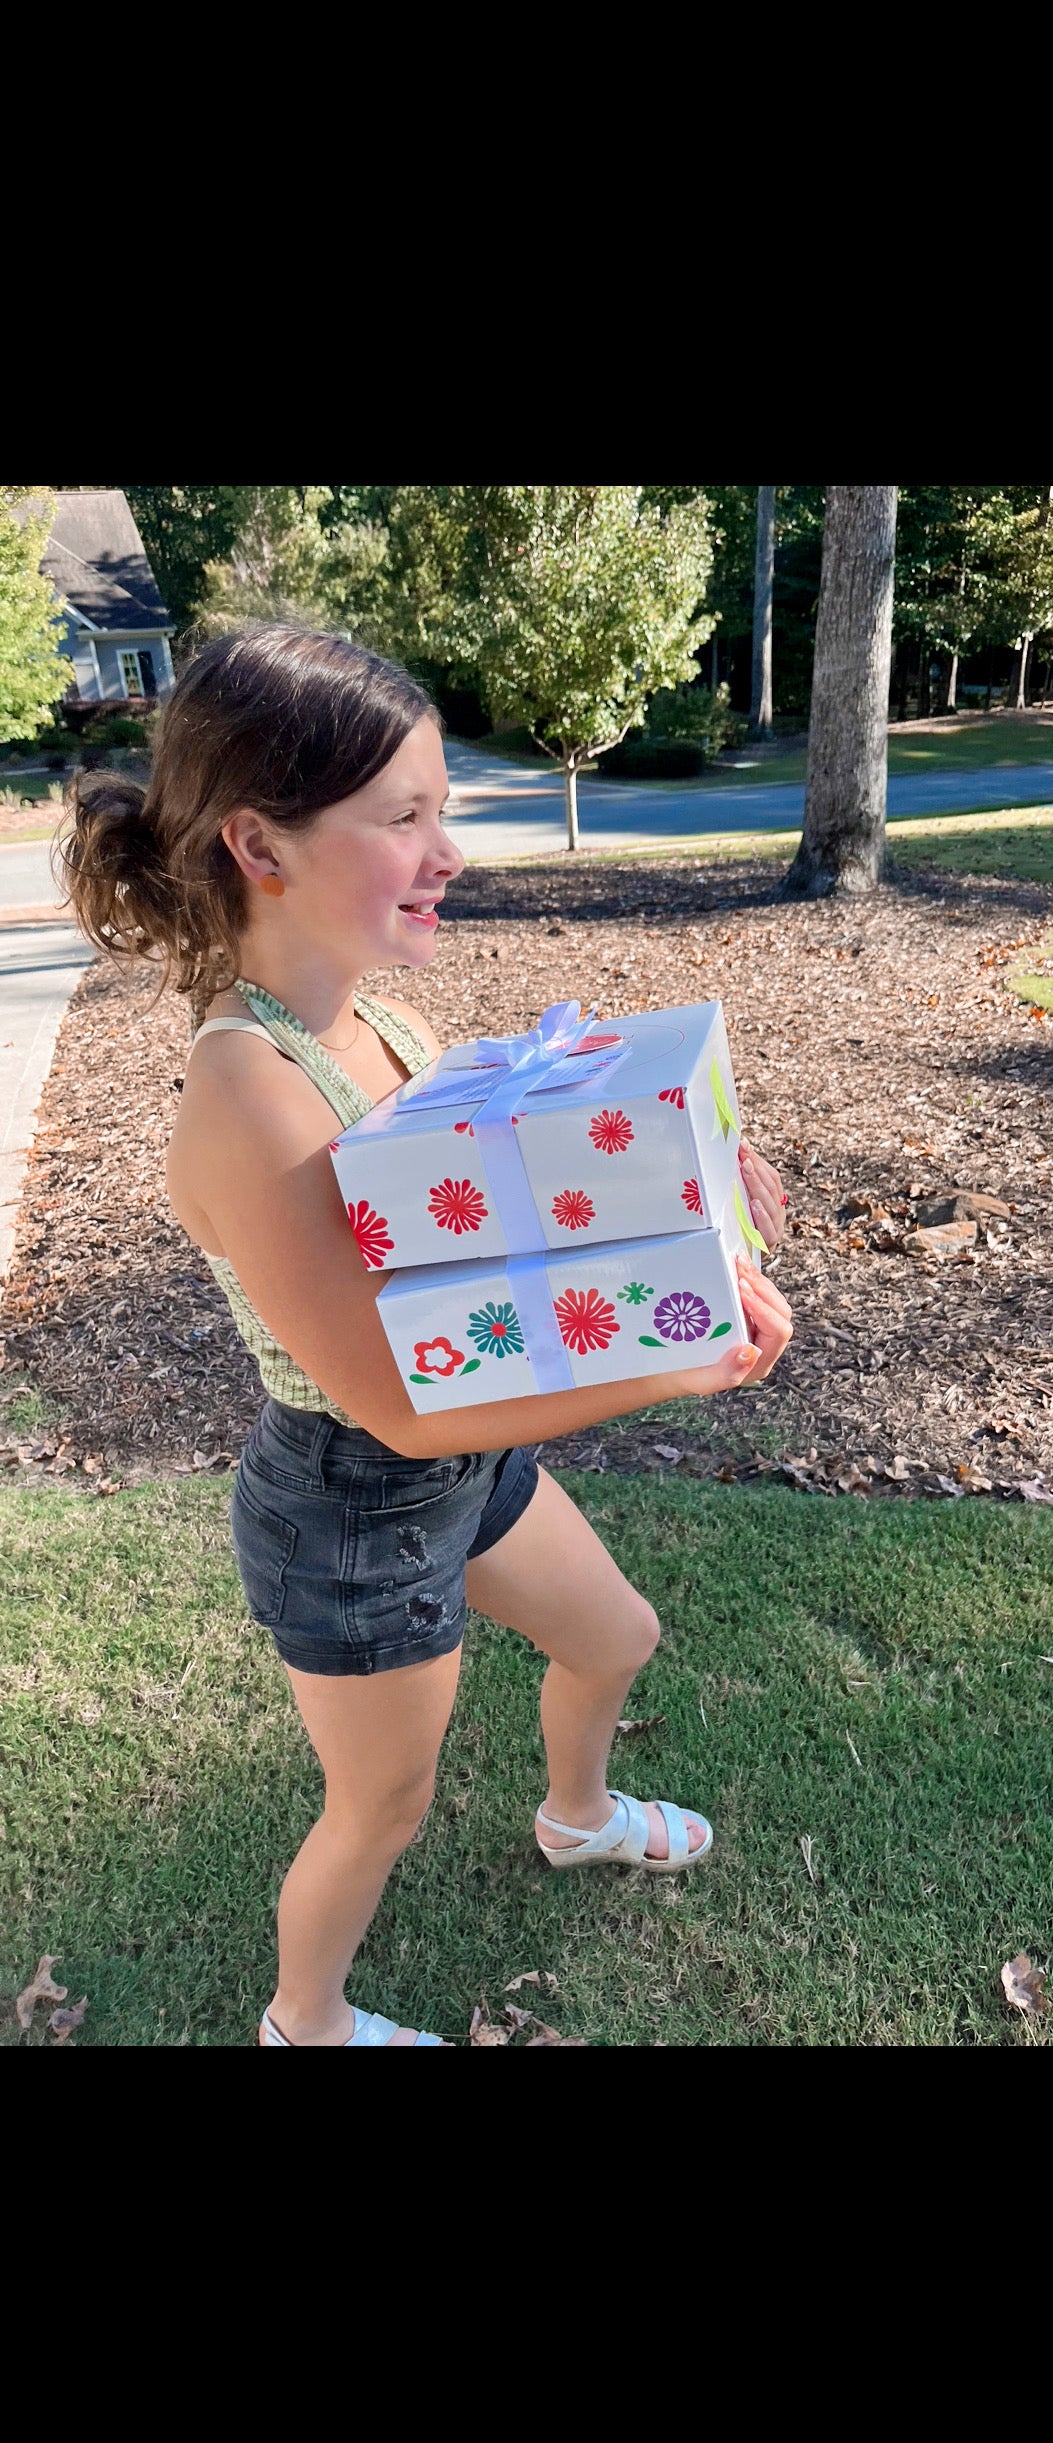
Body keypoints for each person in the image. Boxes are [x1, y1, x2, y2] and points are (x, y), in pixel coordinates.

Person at [60, 625, 793, 2048]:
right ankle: (305, 2021)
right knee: (382, 1803)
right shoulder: (249, 1094)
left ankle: (576, 1818)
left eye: (439, 807)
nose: (447, 849)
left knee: (615, 1637)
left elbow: (497, 1220)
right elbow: (398, 1409)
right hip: (354, 1501)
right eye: (404, 818)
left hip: (459, 1466)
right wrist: (679, 1363)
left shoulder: (374, 1013)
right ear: (262, 849)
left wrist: (704, 1187)